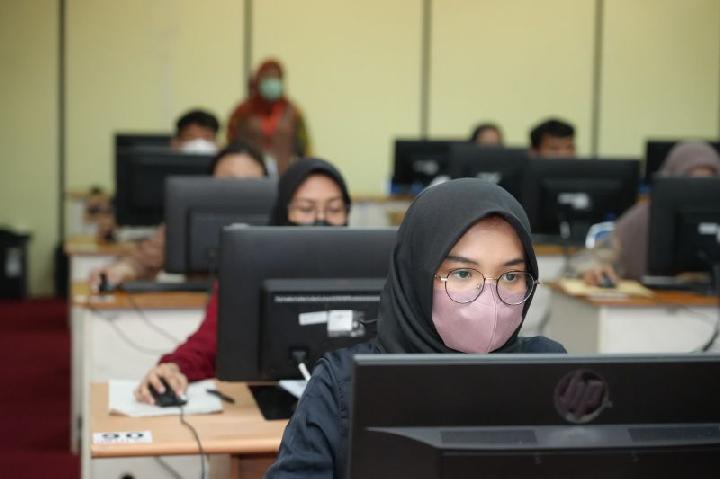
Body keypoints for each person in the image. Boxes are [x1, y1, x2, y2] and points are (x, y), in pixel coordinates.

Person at [265, 179, 565, 478]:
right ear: (417, 277)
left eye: (511, 276)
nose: (490, 298)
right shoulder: (344, 383)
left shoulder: (547, 371)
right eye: (463, 273)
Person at [134, 158, 352, 404]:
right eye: (305, 209)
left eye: (334, 209)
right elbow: (207, 345)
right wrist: (173, 368)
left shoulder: (370, 270)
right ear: (283, 212)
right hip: (261, 408)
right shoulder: (248, 269)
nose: (321, 219)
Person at [88, 141, 268, 290]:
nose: (239, 189)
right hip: (196, 304)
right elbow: (142, 261)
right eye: (229, 180)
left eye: (250, 182)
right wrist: (119, 271)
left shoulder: (278, 215)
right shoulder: (188, 217)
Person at [580, 141, 720, 285]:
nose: (700, 190)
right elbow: (587, 263)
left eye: (710, 181)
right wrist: (596, 269)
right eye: (691, 180)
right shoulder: (639, 220)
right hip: (646, 298)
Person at [226, 59, 311, 175]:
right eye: (267, 78)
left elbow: (304, 149)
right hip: (250, 176)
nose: (272, 83)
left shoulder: (294, 112)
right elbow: (230, 144)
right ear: (258, 80)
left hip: (284, 175)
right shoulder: (242, 112)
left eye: (276, 78)